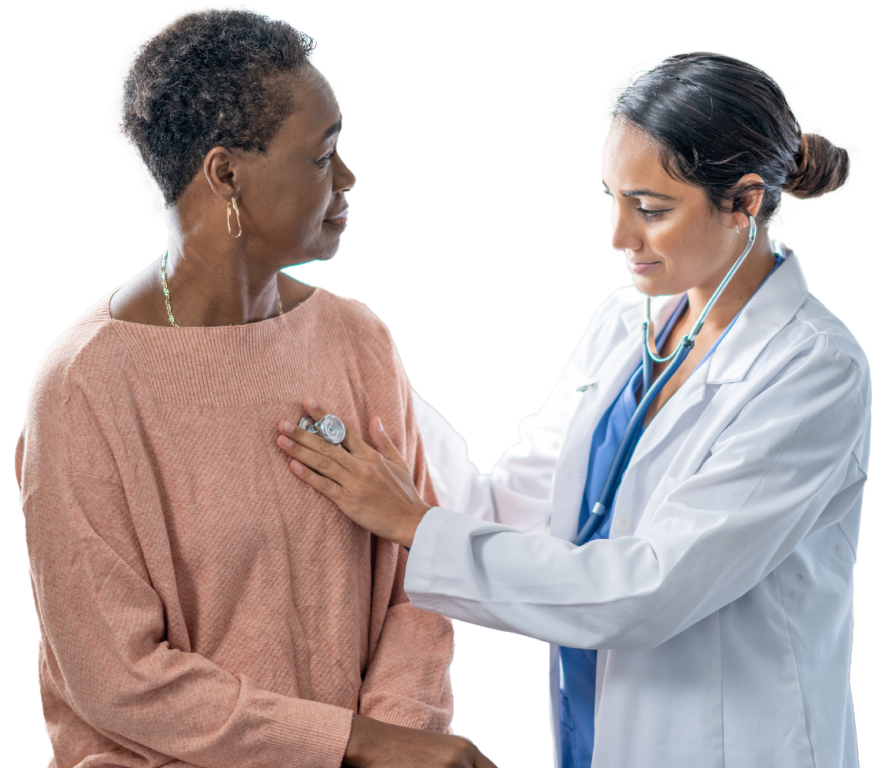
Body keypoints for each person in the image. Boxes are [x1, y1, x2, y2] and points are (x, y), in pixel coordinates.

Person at [274, 51, 868, 767]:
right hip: (595, 723)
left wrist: (412, 525)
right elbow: (506, 508)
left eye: (651, 209)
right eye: (612, 199)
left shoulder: (811, 370)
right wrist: (366, 369)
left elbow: (646, 592)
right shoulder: (625, 322)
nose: (619, 236)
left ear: (744, 202)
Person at [15, 7, 498, 768]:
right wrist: (354, 745)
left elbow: (415, 579)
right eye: (322, 155)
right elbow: (117, 678)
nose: (347, 177)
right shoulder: (86, 386)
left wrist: (398, 738)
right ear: (226, 175)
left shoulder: (354, 337)